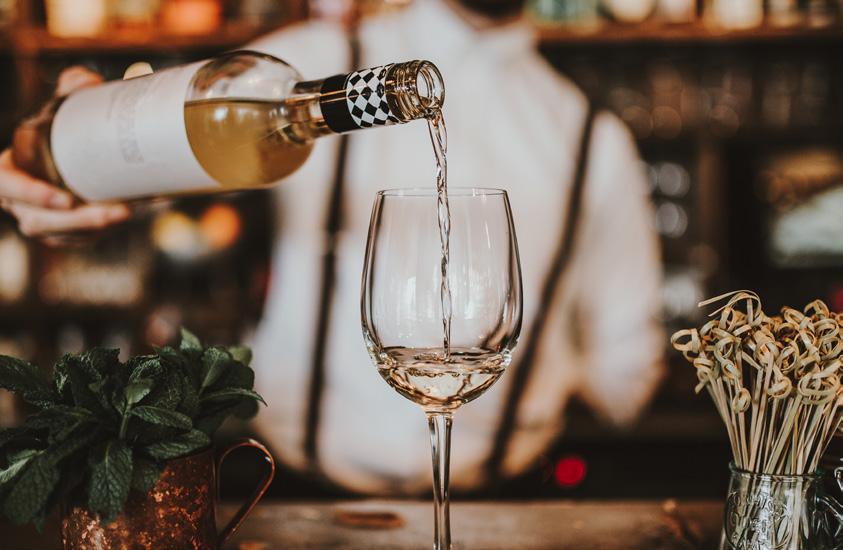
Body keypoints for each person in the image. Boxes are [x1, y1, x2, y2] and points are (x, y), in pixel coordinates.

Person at [0, 0, 664, 494]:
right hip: (288, 494)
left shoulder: (596, 140)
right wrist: (60, 172)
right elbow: (153, 160)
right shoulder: (304, 69)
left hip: (505, 512)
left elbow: (628, 368)